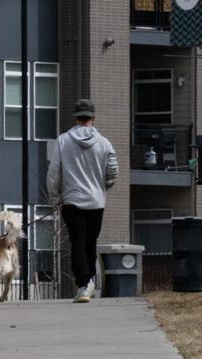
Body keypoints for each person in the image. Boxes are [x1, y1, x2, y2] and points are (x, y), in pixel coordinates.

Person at [47, 99, 118, 303]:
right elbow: (113, 170)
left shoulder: (63, 140)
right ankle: (89, 282)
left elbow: (54, 173)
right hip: (96, 202)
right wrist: (104, 185)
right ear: (93, 118)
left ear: (76, 117)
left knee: (77, 242)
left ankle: (83, 284)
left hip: (72, 200)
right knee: (90, 242)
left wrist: (55, 198)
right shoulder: (104, 143)